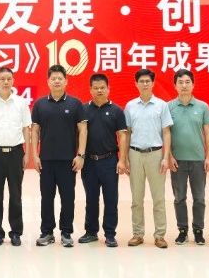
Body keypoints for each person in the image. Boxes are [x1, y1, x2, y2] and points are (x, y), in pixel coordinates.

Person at [31, 64, 87, 248]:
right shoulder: (40, 104)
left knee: (67, 198)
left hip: (68, 161)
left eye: (60, 78)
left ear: (66, 81)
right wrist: (35, 156)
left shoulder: (75, 104)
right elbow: (35, 131)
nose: (56, 81)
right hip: (46, 160)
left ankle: (66, 232)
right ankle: (47, 232)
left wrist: (80, 155)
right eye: (53, 78)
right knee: (46, 198)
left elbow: (83, 129)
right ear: (48, 81)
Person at [123, 68, 173, 249]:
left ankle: (160, 235)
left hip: (156, 155)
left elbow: (166, 132)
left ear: (153, 83)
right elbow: (127, 133)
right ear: (136, 84)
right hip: (135, 154)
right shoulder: (130, 106)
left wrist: (166, 157)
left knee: (158, 198)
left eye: (147, 81)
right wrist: (125, 157)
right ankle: (138, 234)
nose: (144, 84)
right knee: (136, 199)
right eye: (141, 81)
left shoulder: (162, 105)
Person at [0, 68, 31, 247]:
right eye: (2, 79)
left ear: (13, 81)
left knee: (16, 195)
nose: (5, 82)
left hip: (16, 153)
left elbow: (26, 128)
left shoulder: (21, 103)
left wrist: (26, 153)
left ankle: (16, 232)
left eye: (9, 79)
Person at [78, 73, 127, 248]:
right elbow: (79, 134)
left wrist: (122, 160)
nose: (99, 90)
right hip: (89, 162)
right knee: (91, 199)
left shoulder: (116, 111)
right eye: (96, 88)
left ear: (108, 89)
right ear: (90, 89)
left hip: (109, 161)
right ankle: (91, 232)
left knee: (111, 199)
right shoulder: (83, 109)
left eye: (102, 88)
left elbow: (122, 136)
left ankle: (110, 234)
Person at [168, 69, 209, 246]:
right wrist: (169, 156)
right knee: (179, 197)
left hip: (198, 160)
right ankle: (182, 230)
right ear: (175, 85)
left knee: (199, 198)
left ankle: (198, 230)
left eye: (187, 82)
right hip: (177, 161)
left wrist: (208, 157)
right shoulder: (169, 107)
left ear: (193, 85)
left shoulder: (202, 107)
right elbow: (165, 134)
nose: (184, 85)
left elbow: (208, 133)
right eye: (180, 82)